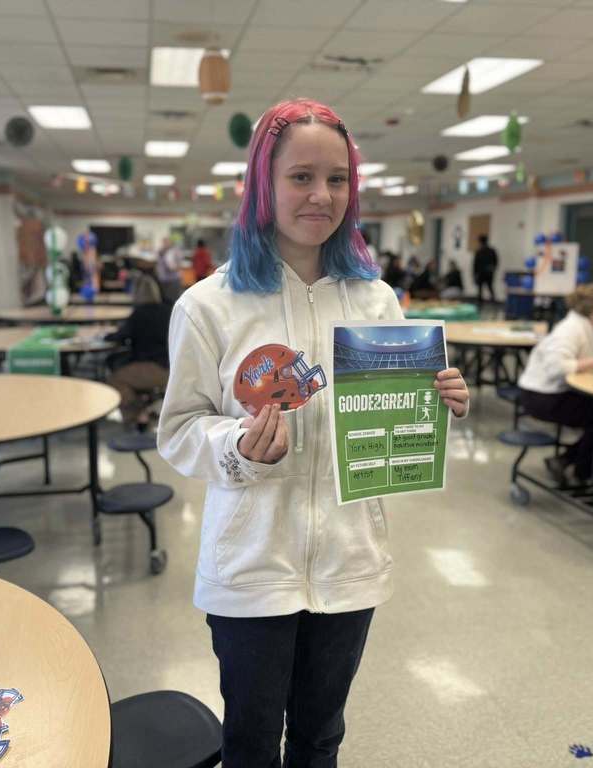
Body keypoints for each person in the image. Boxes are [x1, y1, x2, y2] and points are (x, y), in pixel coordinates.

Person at [156, 98, 471, 768]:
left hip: (348, 565)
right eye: (301, 176)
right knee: (249, 740)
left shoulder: (376, 300)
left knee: (322, 737)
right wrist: (236, 448)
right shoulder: (208, 305)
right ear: (262, 185)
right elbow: (180, 430)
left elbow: (387, 414)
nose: (321, 195)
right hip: (250, 568)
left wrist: (436, 400)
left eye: (338, 179)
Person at [518, 283, 593, 483]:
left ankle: (571, 462)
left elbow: (591, 360)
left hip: (559, 392)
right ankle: (586, 473)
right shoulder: (570, 329)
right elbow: (556, 367)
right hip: (541, 395)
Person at [105, 267, 170, 431]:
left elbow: (119, 336)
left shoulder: (139, 314)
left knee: (115, 380)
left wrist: (104, 336)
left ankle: (138, 414)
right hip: (174, 367)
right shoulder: (168, 311)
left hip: (155, 368)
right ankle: (145, 409)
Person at [155, 236, 184, 305]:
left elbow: (179, 264)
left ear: (170, 243)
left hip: (173, 279)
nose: (165, 244)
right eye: (164, 242)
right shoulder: (160, 252)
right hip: (163, 279)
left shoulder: (175, 251)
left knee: (173, 299)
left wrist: (175, 268)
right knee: (164, 299)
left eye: (167, 242)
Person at [472, 235, 498, 304]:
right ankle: (493, 301)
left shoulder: (479, 251)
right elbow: (496, 262)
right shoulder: (492, 251)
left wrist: (474, 274)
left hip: (481, 273)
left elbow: (475, 264)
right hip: (488, 272)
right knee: (489, 287)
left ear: (480, 242)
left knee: (481, 288)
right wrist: (493, 269)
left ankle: (480, 302)